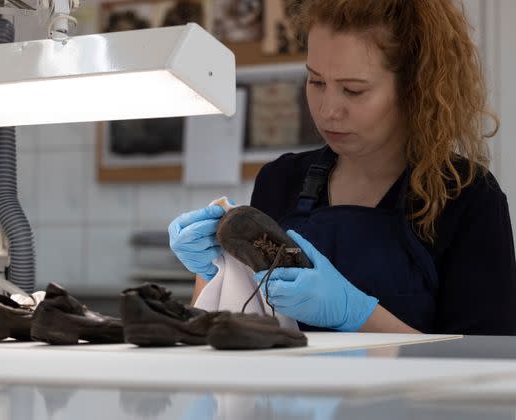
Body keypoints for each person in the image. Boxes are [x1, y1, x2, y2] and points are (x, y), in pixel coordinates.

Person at [168, 0, 516, 335]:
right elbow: (235, 329)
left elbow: (485, 365)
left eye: (353, 90)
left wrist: (356, 313)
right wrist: (215, 271)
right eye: (316, 82)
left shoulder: (466, 197)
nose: (328, 110)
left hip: (408, 399)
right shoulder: (280, 181)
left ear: (414, 89)